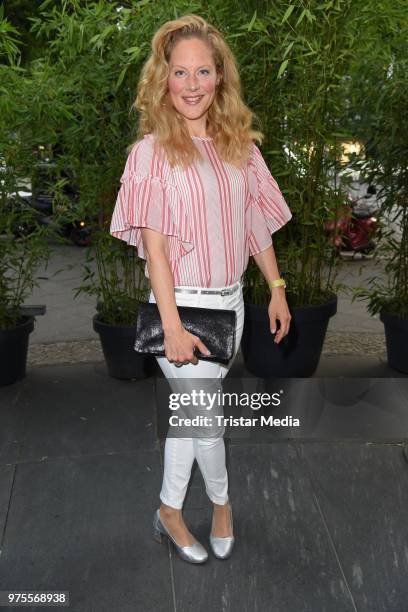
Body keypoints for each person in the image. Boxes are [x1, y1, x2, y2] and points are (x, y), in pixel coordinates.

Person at [110, 14, 293, 564]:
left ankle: (168, 509)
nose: (191, 84)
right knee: (207, 422)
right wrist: (171, 328)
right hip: (181, 308)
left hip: (230, 306)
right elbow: (157, 251)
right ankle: (221, 505)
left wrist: (277, 288)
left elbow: (254, 223)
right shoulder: (150, 154)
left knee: (192, 421)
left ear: (220, 78)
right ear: (162, 80)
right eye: (179, 72)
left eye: (203, 71)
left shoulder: (240, 146)